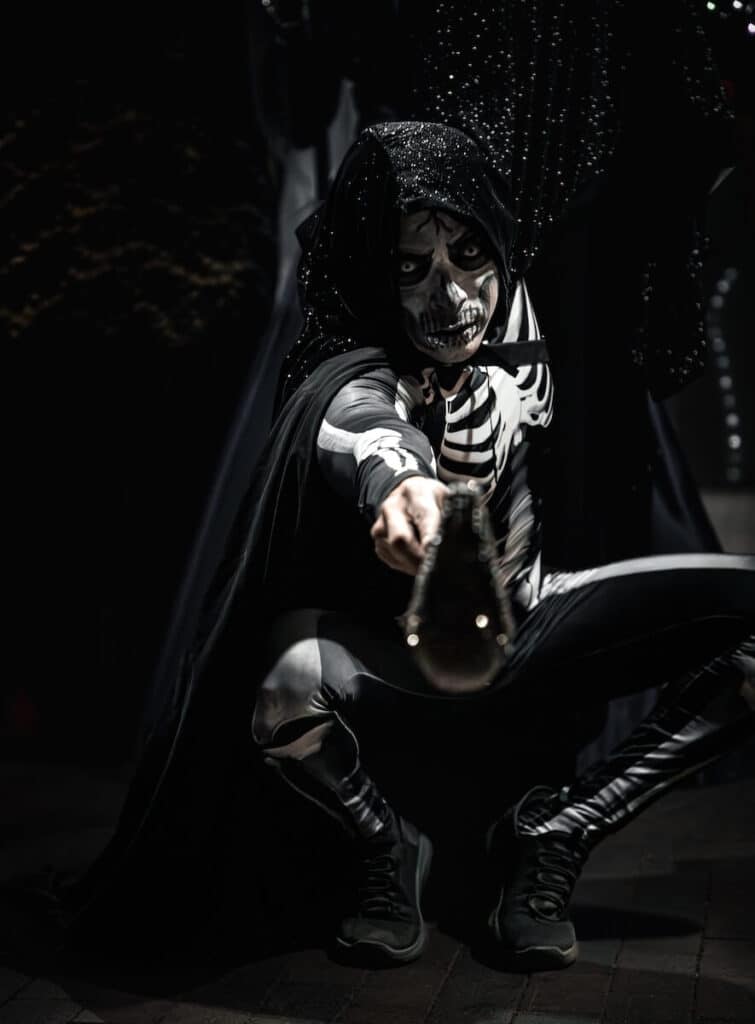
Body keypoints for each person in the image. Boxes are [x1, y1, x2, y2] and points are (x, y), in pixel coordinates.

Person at [63, 120, 753, 975]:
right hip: (402, 654)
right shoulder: (356, 367)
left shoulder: (519, 304)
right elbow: (359, 424)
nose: (450, 293)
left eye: (468, 254)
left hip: (534, 612)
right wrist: (399, 483)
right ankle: (383, 850)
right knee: (287, 684)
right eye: (410, 266)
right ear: (370, 269)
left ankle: (561, 825)